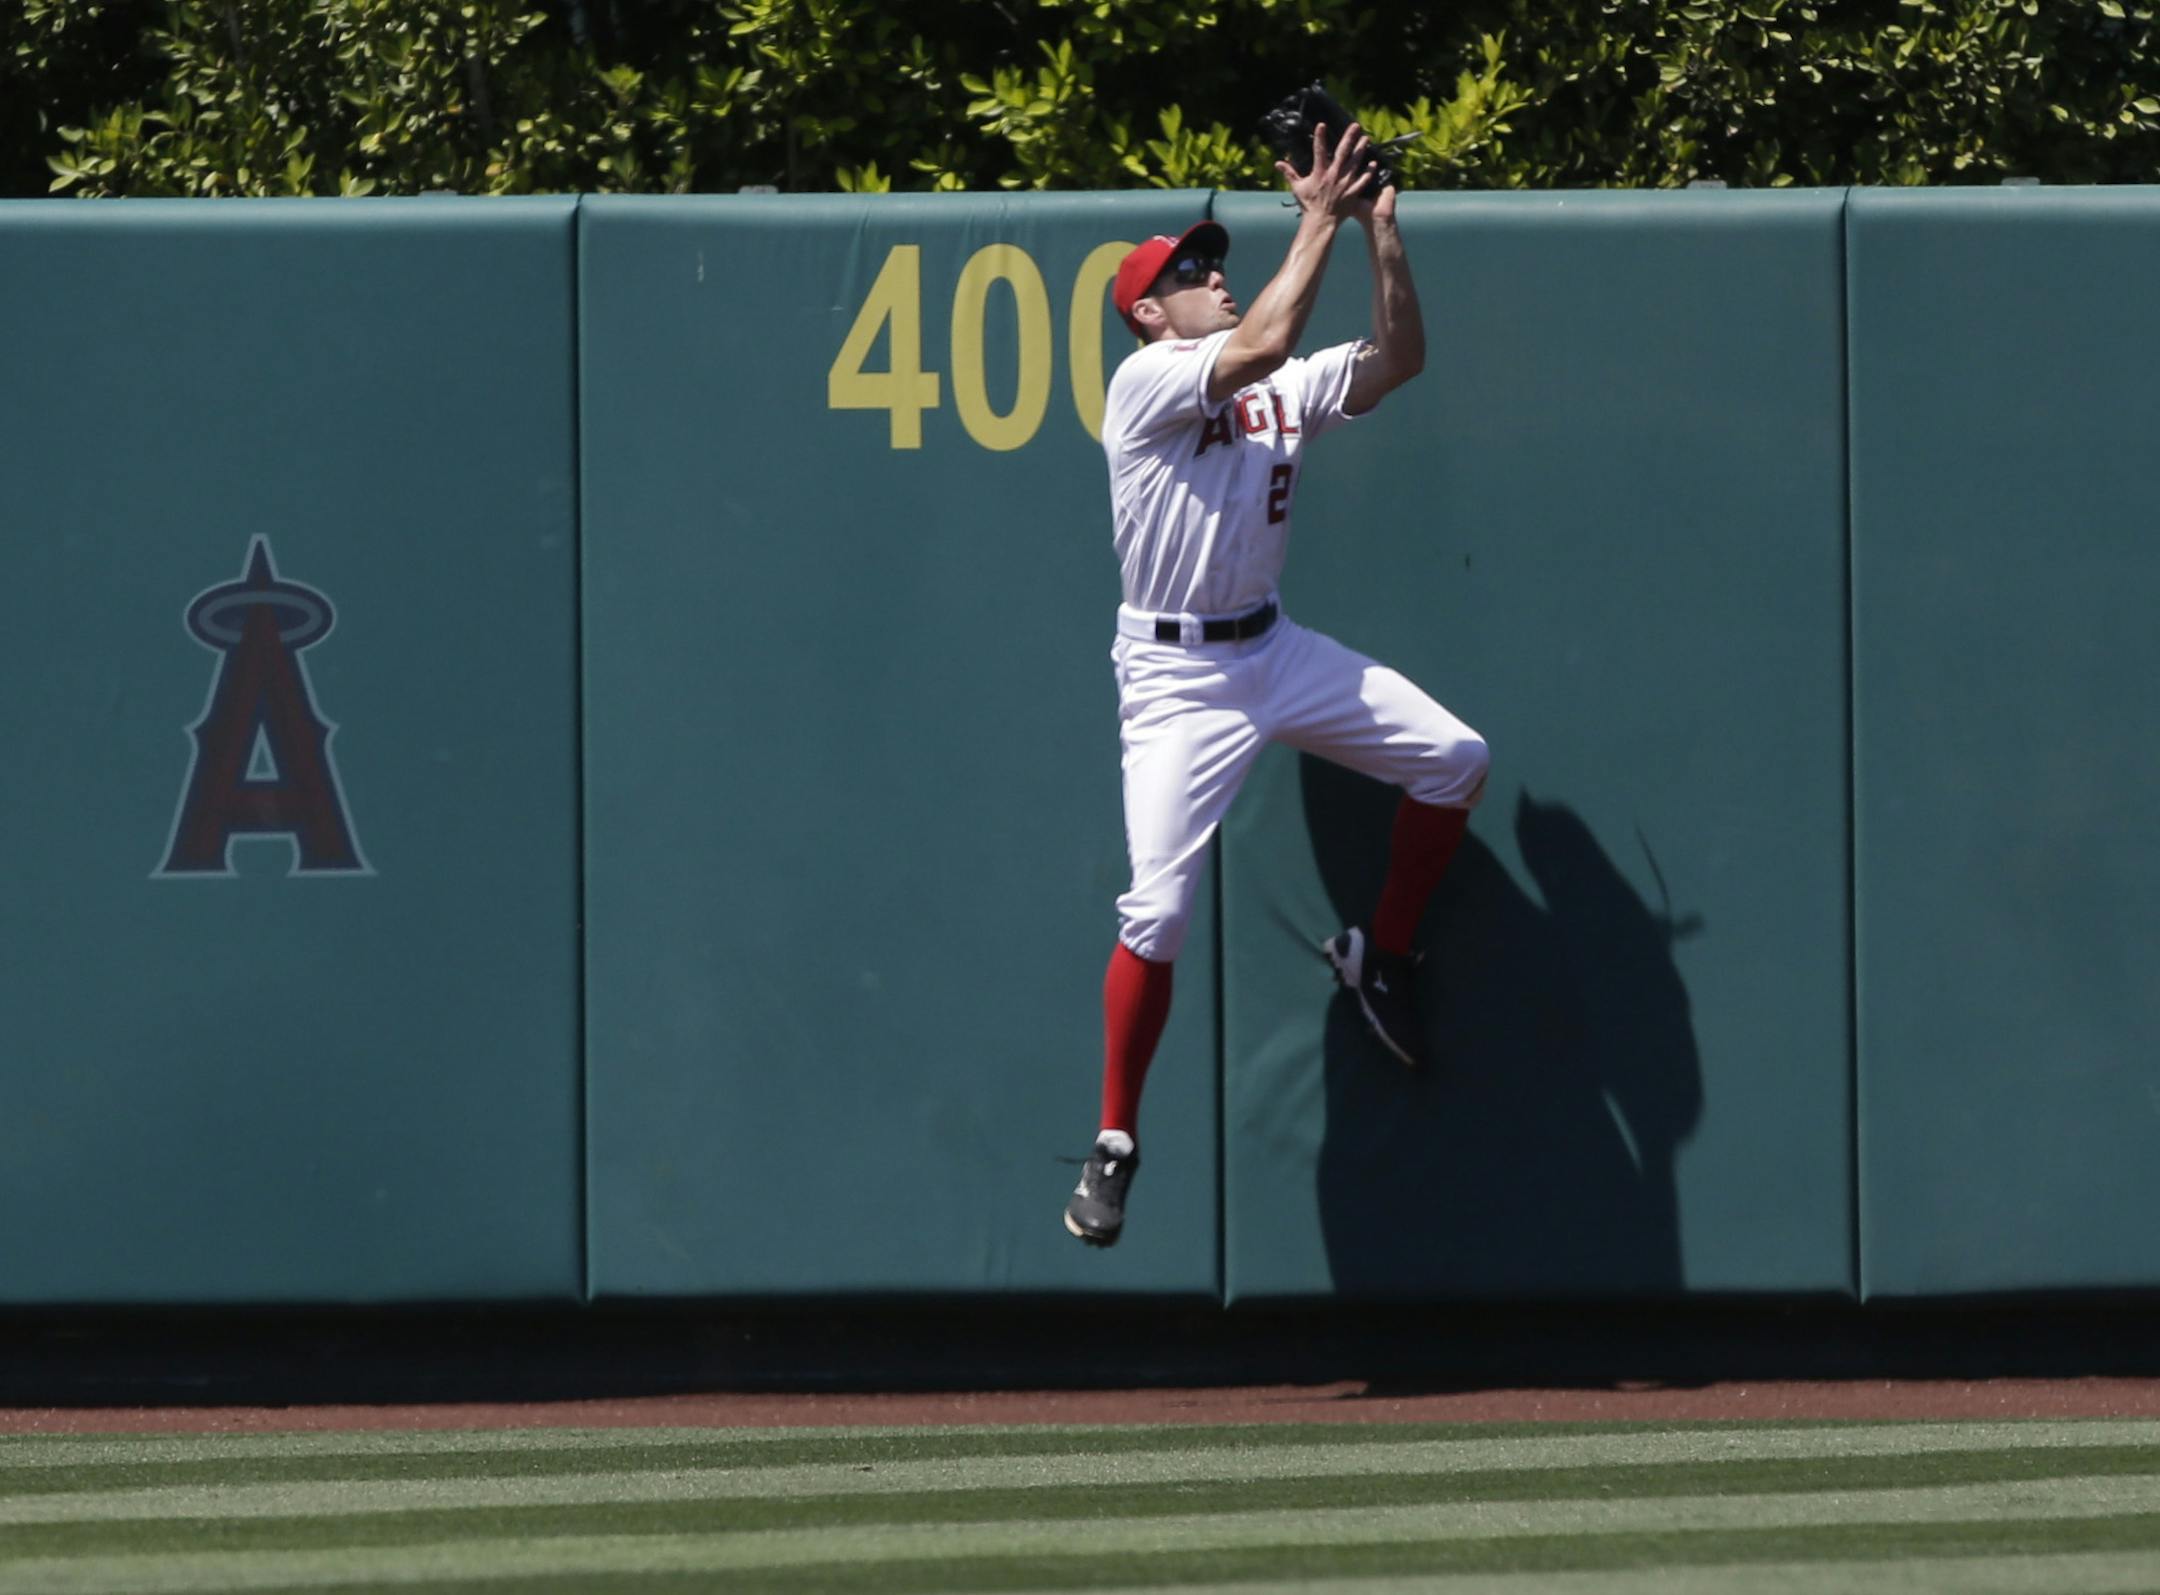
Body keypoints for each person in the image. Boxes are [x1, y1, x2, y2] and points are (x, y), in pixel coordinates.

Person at [1064, 122, 1491, 1248]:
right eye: (1186, 273)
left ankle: (1379, 953)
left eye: (1211, 263)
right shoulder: (1148, 381)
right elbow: (1253, 347)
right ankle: (1114, 1140)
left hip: (1274, 648)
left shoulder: (1275, 382)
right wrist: (1315, 216)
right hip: (1173, 677)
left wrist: (1378, 231)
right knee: (1155, 907)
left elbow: (1397, 361)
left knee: (1457, 758)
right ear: (1149, 311)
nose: (1210, 276)